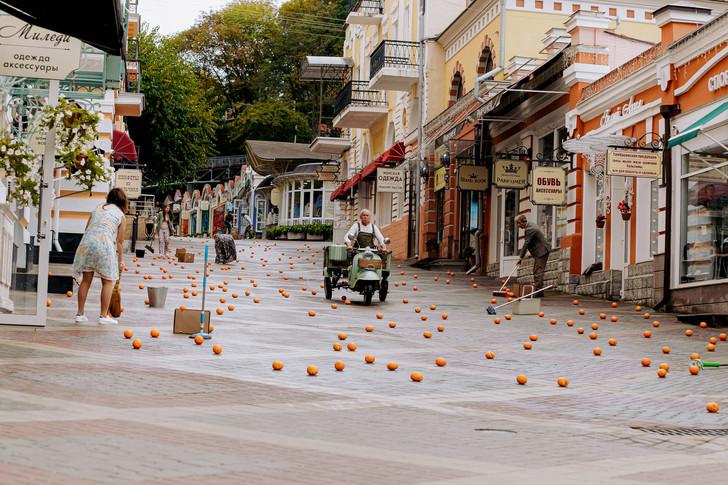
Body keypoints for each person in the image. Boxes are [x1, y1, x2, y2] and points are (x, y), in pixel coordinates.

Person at [72, 188, 128, 324]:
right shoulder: (120, 215)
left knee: (86, 280)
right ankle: (103, 316)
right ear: (123, 201)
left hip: (87, 243)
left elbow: (87, 229)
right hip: (104, 244)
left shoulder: (97, 209)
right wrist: (120, 261)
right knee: (108, 281)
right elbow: (119, 242)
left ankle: (80, 314)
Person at [516, 215, 551, 295]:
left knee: (538, 271)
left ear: (523, 222)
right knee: (536, 270)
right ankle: (539, 291)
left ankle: (538, 292)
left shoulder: (530, 229)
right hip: (540, 251)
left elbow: (526, 244)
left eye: (518, 223)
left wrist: (521, 258)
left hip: (542, 251)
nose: (518, 225)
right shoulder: (530, 225)